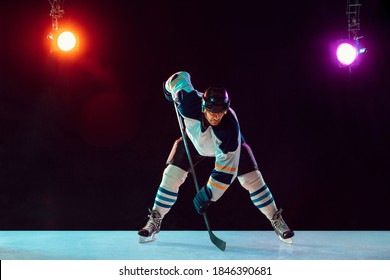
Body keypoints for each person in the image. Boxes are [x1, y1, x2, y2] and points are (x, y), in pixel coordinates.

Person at [138, 71, 294, 243]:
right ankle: (155, 218)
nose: (216, 116)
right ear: (204, 106)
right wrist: (167, 89)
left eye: (221, 112)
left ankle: (275, 219)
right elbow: (178, 78)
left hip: (224, 150)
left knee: (252, 179)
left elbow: (226, 171)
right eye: (212, 111)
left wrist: (209, 194)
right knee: (171, 175)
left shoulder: (229, 130)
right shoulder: (187, 101)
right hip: (194, 142)